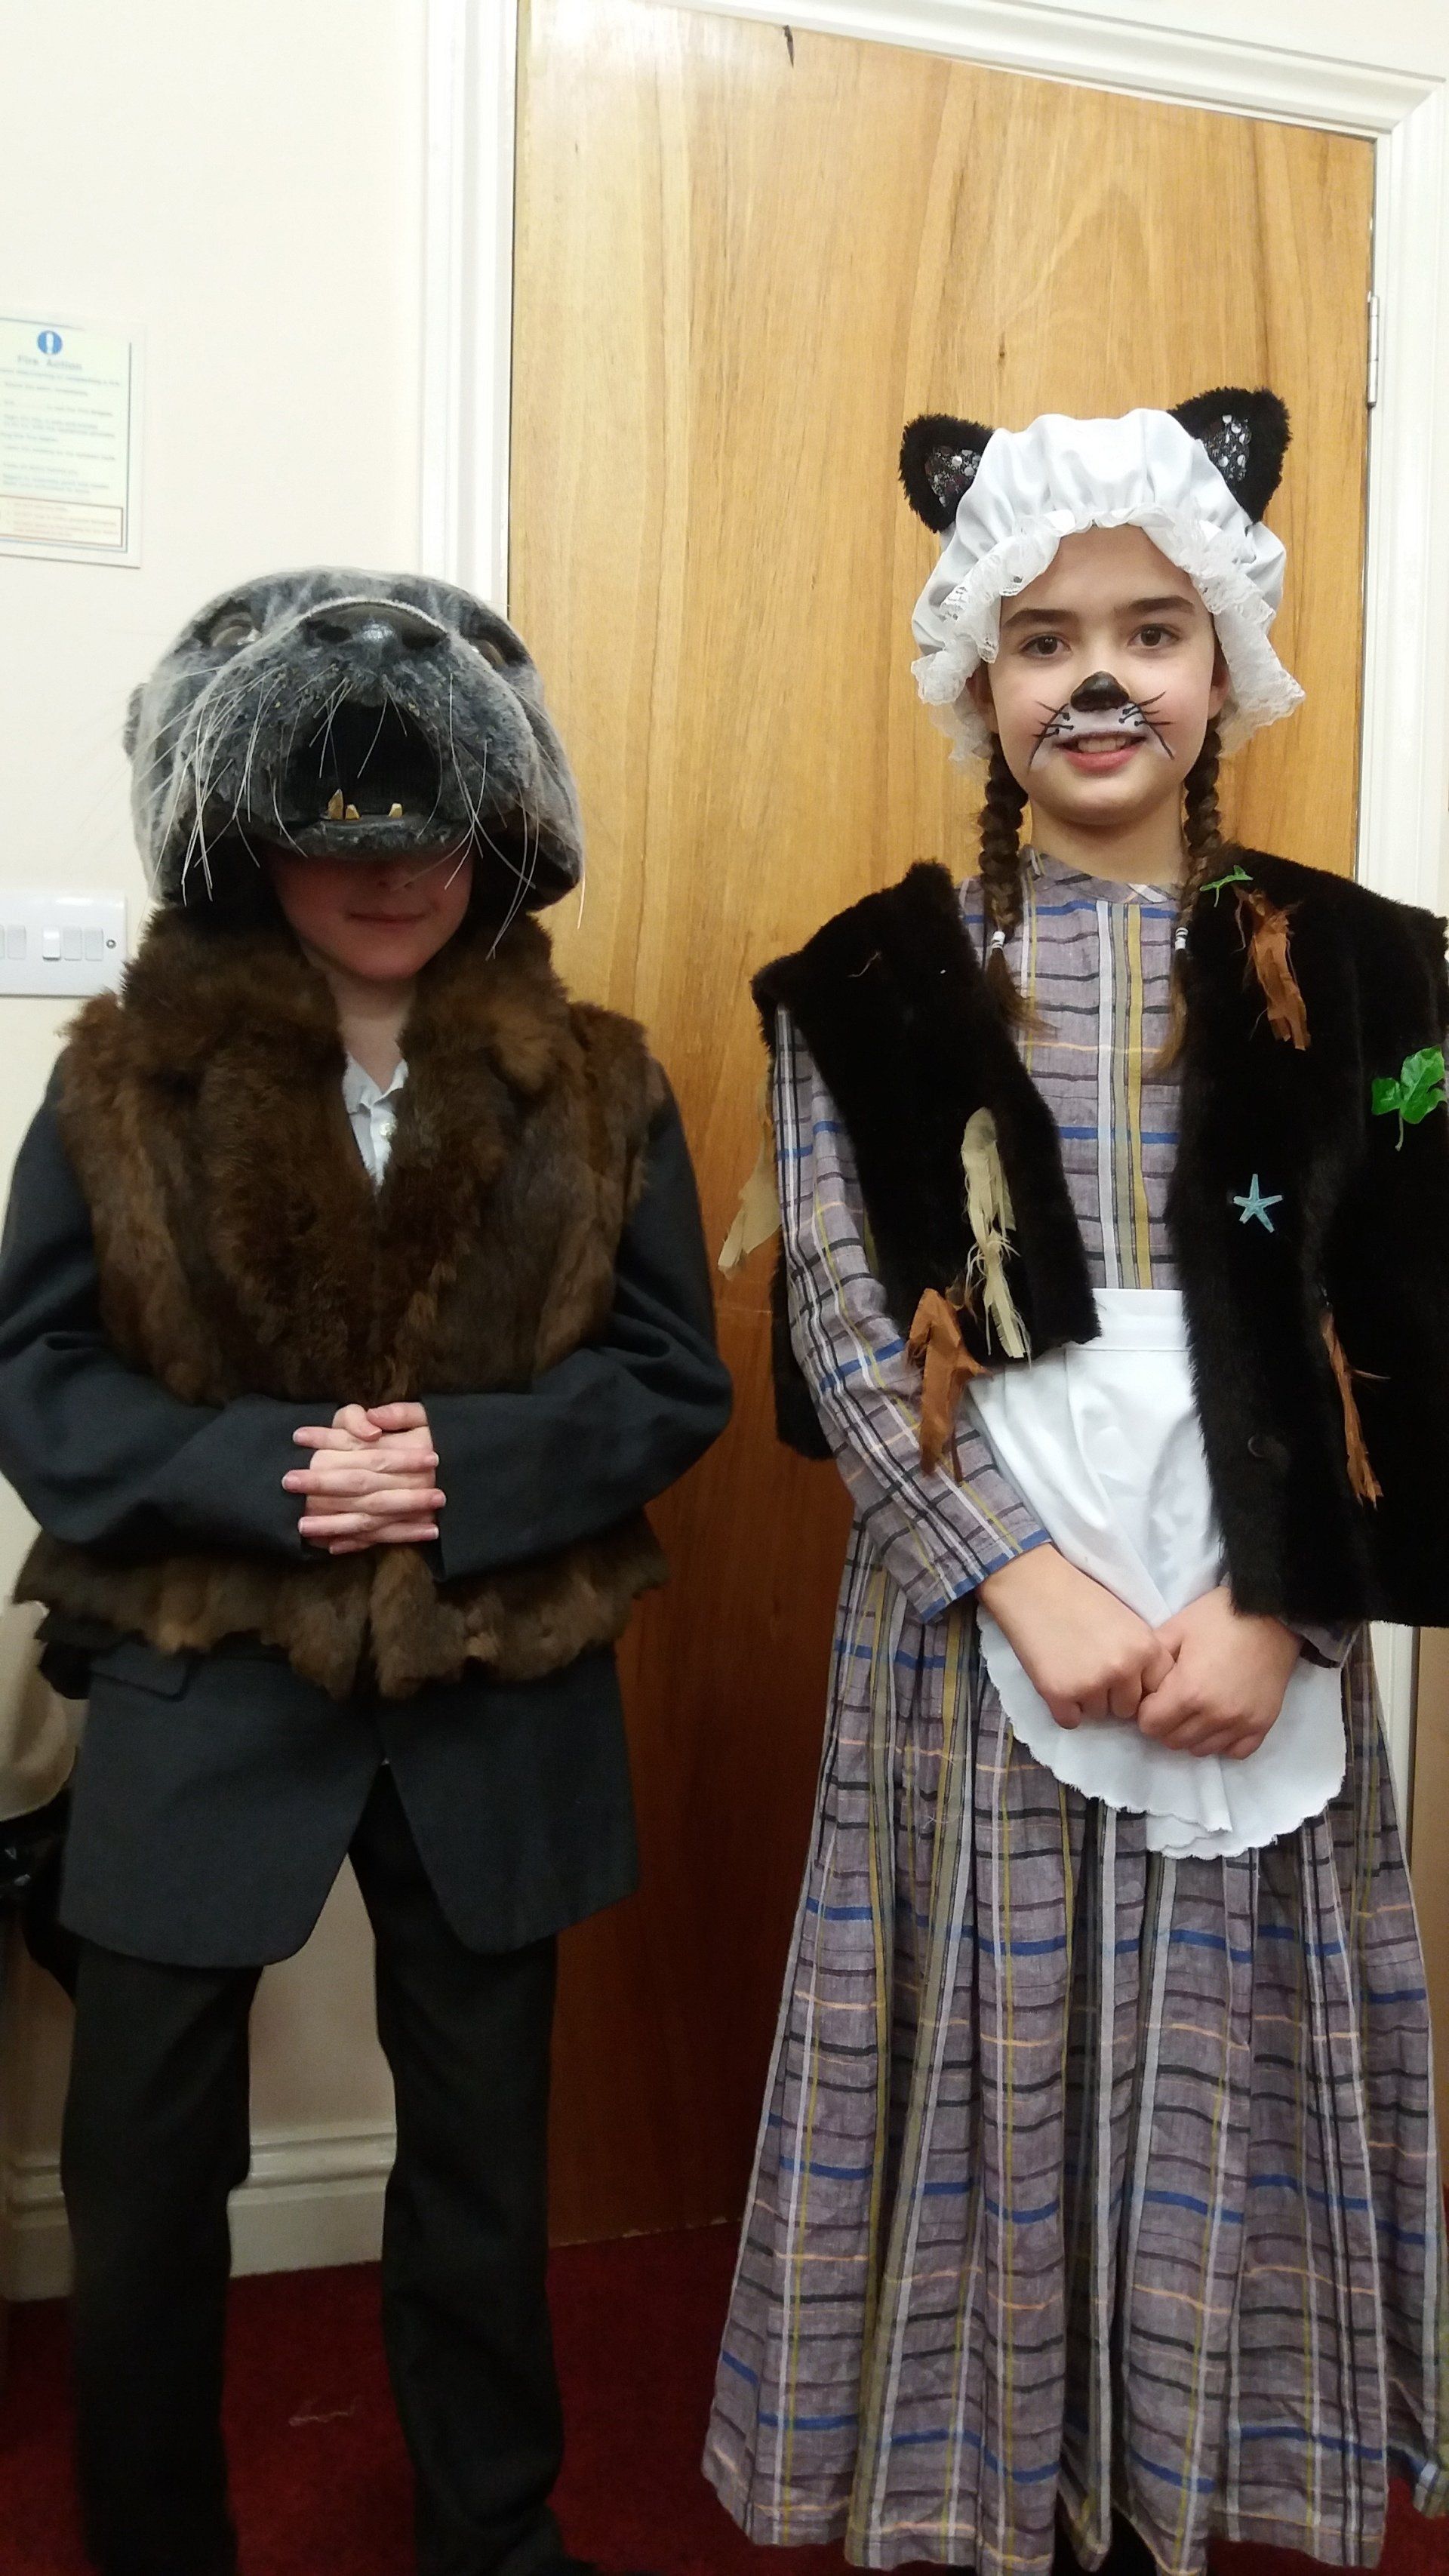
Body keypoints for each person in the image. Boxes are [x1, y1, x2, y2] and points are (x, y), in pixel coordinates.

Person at [705, 392, 1449, 2574]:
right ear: (979, 673)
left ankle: (1189, 2482)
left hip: (1257, 1590)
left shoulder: (1379, 970)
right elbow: (848, 1323)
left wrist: (1285, 1602)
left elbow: (1420, 1306)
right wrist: (1016, 1580)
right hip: (980, 1642)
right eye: (1044, 640)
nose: (1098, 680)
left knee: (1220, 2043)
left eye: (1150, 631)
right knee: (1002, 2042)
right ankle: (992, 2484)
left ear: (1224, 664)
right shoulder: (872, 980)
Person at [0, 568, 732, 2576]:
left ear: (499, 826)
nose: (390, 869)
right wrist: (256, 1473)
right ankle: (155, 2541)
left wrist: (468, 1470)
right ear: (248, 835)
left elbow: (672, 1373)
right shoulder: (117, 1079)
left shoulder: (604, 1078)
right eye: (335, 827)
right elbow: (37, 1369)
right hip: (198, 1663)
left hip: (498, 1679)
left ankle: (493, 2535)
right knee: (144, 2161)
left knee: (484, 2157)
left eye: (430, 825)